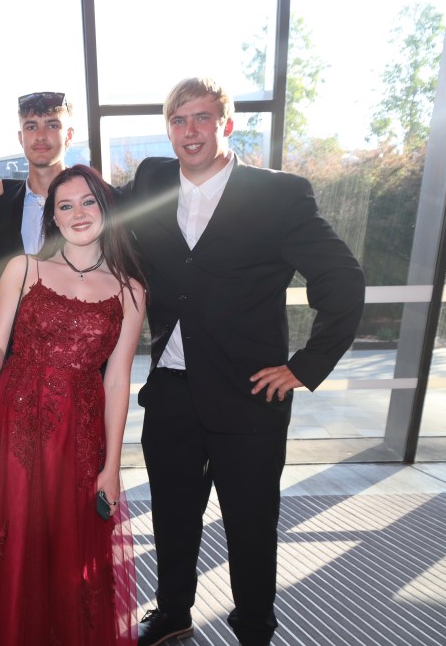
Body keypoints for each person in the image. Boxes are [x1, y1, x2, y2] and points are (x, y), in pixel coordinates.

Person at [120, 77, 365, 646]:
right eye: (179, 120)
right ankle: (173, 612)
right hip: (172, 389)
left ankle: (254, 628)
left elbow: (342, 279)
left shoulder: (279, 195)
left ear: (226, 124)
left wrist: (305, 366)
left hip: (250, 392)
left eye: (202, 118)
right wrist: (11, 191)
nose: (190, 131)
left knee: (250, 523)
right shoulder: (152, 179)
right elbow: (86, 201)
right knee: (172, 516)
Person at [0, 164, 145, 645]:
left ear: (106, 208)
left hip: (80, 434)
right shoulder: (24, 267)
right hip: (16, 425)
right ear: (53, 216)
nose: (79, 213)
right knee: (12, 543)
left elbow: (118, 380)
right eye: (65, 205)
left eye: (88, 202)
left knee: (71, 552)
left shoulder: (131, 289)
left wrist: (111, 467)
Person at [0, 91, 75, 261]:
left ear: (69, 136)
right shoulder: (1, 206)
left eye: (52, 126)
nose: (41, 136)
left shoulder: (99, 202)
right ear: (20, 138)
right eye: (31, 127)